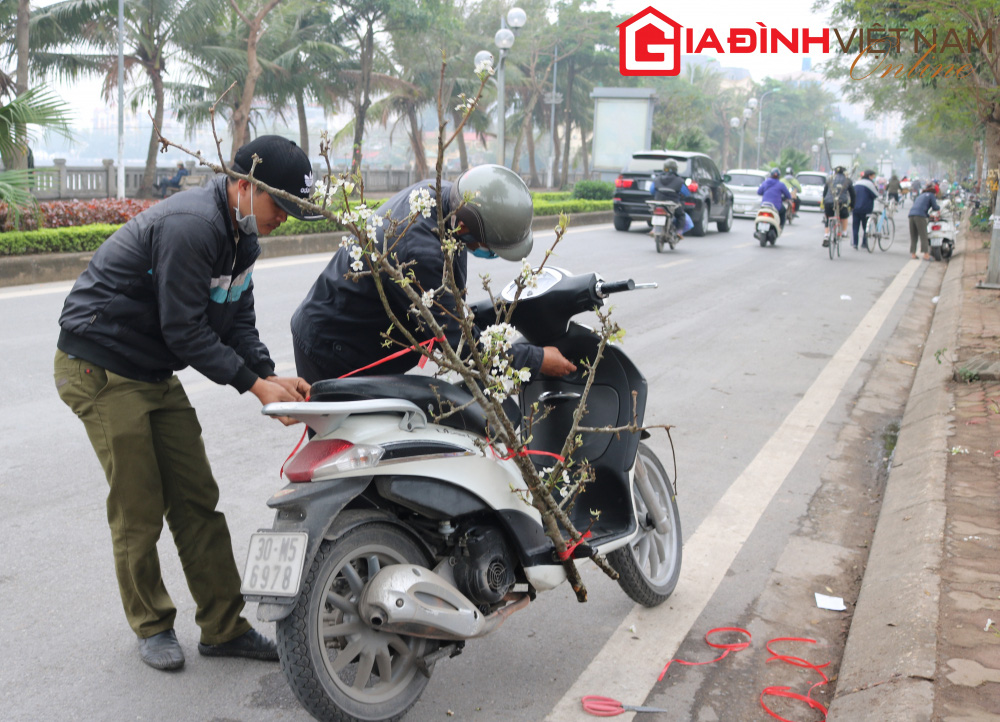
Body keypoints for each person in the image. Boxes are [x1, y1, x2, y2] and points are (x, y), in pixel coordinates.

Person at [54, 135, 320, 672]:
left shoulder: (243, 238)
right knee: (139, 506)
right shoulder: (192, 226)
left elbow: (235, 319)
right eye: (280, 206)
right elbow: (184, 328)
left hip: (151, 366)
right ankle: (152, 625)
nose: (284, 220)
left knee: (197, 496)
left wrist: (269, 375)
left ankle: (223, 627)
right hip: (101, 363)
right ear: (243, 186)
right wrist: (253, 384)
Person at [291, 164, 577, 385]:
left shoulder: (445, 199)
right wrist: (538, 359)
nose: (489, 252)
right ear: (465, 228)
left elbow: (451, 309)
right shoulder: (421, 254)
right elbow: (463, 348)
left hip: (351, 330)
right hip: (333, 348)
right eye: (490, 246)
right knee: (352, 450)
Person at [650, 159, 690, 238]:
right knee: (681, 215)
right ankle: (679, 232)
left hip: (658, 202)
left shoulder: (657, 178)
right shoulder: (679, 180)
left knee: (654, 212)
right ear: (675, 169)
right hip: (673, 203)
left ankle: (654, 229)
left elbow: (652, 191)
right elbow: (686, 193)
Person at [821, 166, 854, 246]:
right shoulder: (848, 180)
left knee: (828, 217)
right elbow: (853, 194)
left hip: (828, 201)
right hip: (842, 202)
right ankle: (844, 232)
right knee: (844, 216)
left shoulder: (830, 179)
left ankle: (826, 235)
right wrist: (852, 205)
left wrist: (825, 202)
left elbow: (824, 193)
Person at [908, 183, 941, 260]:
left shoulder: (921, 195)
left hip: (911, 215)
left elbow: (920, 207)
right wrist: (939, 207)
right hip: (920, 216)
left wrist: (929, 216)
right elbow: (935, 207)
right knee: (924, 235)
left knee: (914, 236)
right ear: (935, 192)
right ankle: (926, 254)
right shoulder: (931, 195)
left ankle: (913, 254)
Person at [852, 169, 879, 250]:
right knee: (865, 227)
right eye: (873, 176)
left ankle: (855, 243)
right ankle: (864, 243)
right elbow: (876, 195)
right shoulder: (870, 184)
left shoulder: (856, 183)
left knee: (855, 227)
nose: (873, 178)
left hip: (855, 208)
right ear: (869, 176)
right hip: (866, 209)